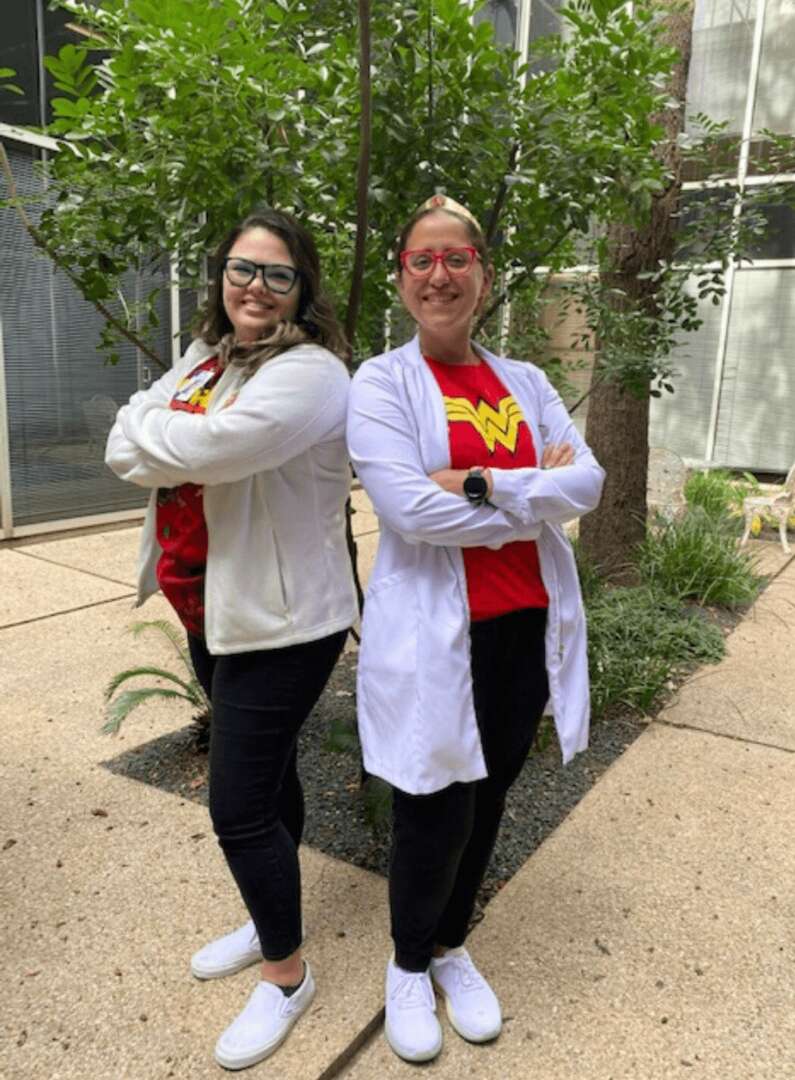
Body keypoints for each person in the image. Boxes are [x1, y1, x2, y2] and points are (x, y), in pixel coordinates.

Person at [346, 194, 605, 1064]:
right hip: (434, 639)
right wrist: (532, 489)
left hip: (522, 626)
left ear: (483, 276)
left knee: (489, 794)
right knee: (430, 804)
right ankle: (406, 964)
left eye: (457, 258)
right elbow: (409, 512)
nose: (439, 274)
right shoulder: (381, 383)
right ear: (401, 278)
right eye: (421, 259)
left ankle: (451, 946)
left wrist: (479, 482)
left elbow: (588, 484)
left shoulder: (524, 381)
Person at [106, 209, 358, 1071]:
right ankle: (268, 916)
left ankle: (287, 976)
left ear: (302, 289)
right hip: (209, 608)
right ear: (221, 276)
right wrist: (160, 437)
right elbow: (123, 442)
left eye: (277, 274)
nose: (255, 286)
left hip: (283, 625)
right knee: (272, 776)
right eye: (242, 269)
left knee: (238, 805)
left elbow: (211, 449)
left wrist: (156, 435)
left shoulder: (313, 373)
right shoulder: (207, 356)